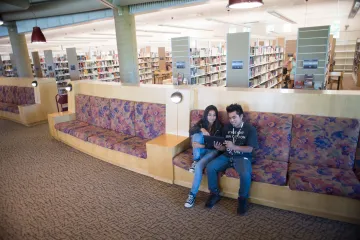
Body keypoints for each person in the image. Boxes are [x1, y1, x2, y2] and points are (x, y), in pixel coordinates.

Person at [204, 104, 258, 215]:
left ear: (241, 116)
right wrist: (220, 148)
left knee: (245, 174)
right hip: (227, 155)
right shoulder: (227, 128)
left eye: (234, 117)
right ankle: (214, 194)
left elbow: (249, 149)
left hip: (242, 156)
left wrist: (235, 147)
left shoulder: (250, 129)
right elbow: (225, 146)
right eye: (230, 118)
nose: (232, 120)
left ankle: (242, 199)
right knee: (210, 167)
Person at [185, 105, 223, 208]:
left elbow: (217, 144)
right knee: (196, 134)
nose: (212, 117)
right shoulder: (201, 123)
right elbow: (191, 131)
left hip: (212, 151)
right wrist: (201, 129)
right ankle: (196, 160)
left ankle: (192, 195)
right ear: (206, 115)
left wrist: (201, 145)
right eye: (209, 115)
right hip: (202, 151)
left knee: (199, 167)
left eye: (214, 115)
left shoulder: (219, 127)